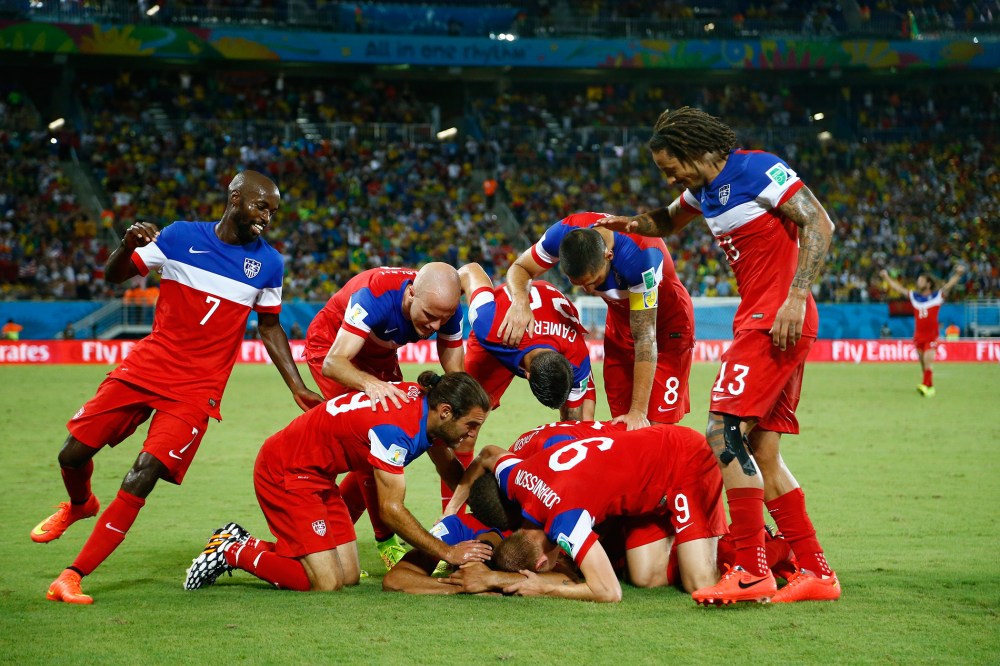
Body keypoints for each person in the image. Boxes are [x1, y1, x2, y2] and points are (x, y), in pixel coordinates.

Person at [34, 170, 324, 605]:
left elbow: (269, 327)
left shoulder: (269, 263)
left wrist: (296, 386)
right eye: (261, 206)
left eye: (273, 211)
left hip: (196, 389)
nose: (268, 217)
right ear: (235, 198)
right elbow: (115, 276)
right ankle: (80, 505)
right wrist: (126, 244)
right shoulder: (178, 236)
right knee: (71, 454)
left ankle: (72, 575)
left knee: (142, 473)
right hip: (147, 366)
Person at [596, 106, 839, 604]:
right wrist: (631, 223)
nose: (670, 176)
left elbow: (820, 223)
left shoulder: (755, 169)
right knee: (763, 450)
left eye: (671, 166)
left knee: (722, 432)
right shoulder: (702, 191)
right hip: (763, 316)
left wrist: (796, 295)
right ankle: (816, 572)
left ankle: (751, 571)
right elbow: (668, 219)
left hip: (775, 316)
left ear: (696, 150)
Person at [183, 371, 494, 593]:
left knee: (347, 576)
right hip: (285, 472)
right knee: (324, 583)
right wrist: (447, 552)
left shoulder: (426, 407)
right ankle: (232, 550)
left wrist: (495, 510)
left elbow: (449, 469)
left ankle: (242, 542)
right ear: (445, 412)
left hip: (319, 477)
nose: (473, 435)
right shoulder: (396, 431)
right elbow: (390, 510)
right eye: (471, 426)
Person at [303, 263, 467, 569]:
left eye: (442, 319)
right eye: (429, 316)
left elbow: (456, 374)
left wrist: (464, 411)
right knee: (373, 438)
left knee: (405, 430)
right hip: (333, 348)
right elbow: (334, 363)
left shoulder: (445, 308)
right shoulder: (375, 294)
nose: (435, 326)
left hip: (379, 355)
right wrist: (370, 383)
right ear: (410, 293)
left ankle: (337, 534)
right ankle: (386, 541)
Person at [464, 424, 728, 602]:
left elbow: (610, 591)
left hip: (684, 459)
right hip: (650, 482)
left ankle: (751, 548)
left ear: (541, 563)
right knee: (645, 577)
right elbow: (489, 454)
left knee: (700, 585)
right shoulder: (517, 480)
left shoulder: (566, 521)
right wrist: (452, 508)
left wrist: (546, 587)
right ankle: (690, 540)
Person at [499, 211, 695, 431]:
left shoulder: (640, 256)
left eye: (594, 281)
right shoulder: (562, 235)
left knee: (654, 426)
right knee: (621, 422)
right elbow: (520, 268)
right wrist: (519, 302)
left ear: (608, 255)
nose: (589, 290)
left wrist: (638, 411)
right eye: (579, 284)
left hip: (666, 326)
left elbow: (645, 337)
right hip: (621, 323)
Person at [461, 262, 596, 421]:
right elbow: (470, 271)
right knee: (467, 413)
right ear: (527, 375)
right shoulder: (489, 324)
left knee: (585, 423)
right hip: (500, 336)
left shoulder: (577, 356)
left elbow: (574, 418)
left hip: (546, 326)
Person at [880, 266, 966, 397]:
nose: (918, 282)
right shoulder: (915, 297)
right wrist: (886, 277)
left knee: (928, 362)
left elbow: (948, 286)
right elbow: (898, 289)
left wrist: (958, 275)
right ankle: (929, 387)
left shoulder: (937, 296)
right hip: (918, 336)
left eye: (921, 280)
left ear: (928, 284)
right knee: (923, 365)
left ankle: (926, 387)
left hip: (931, 336)